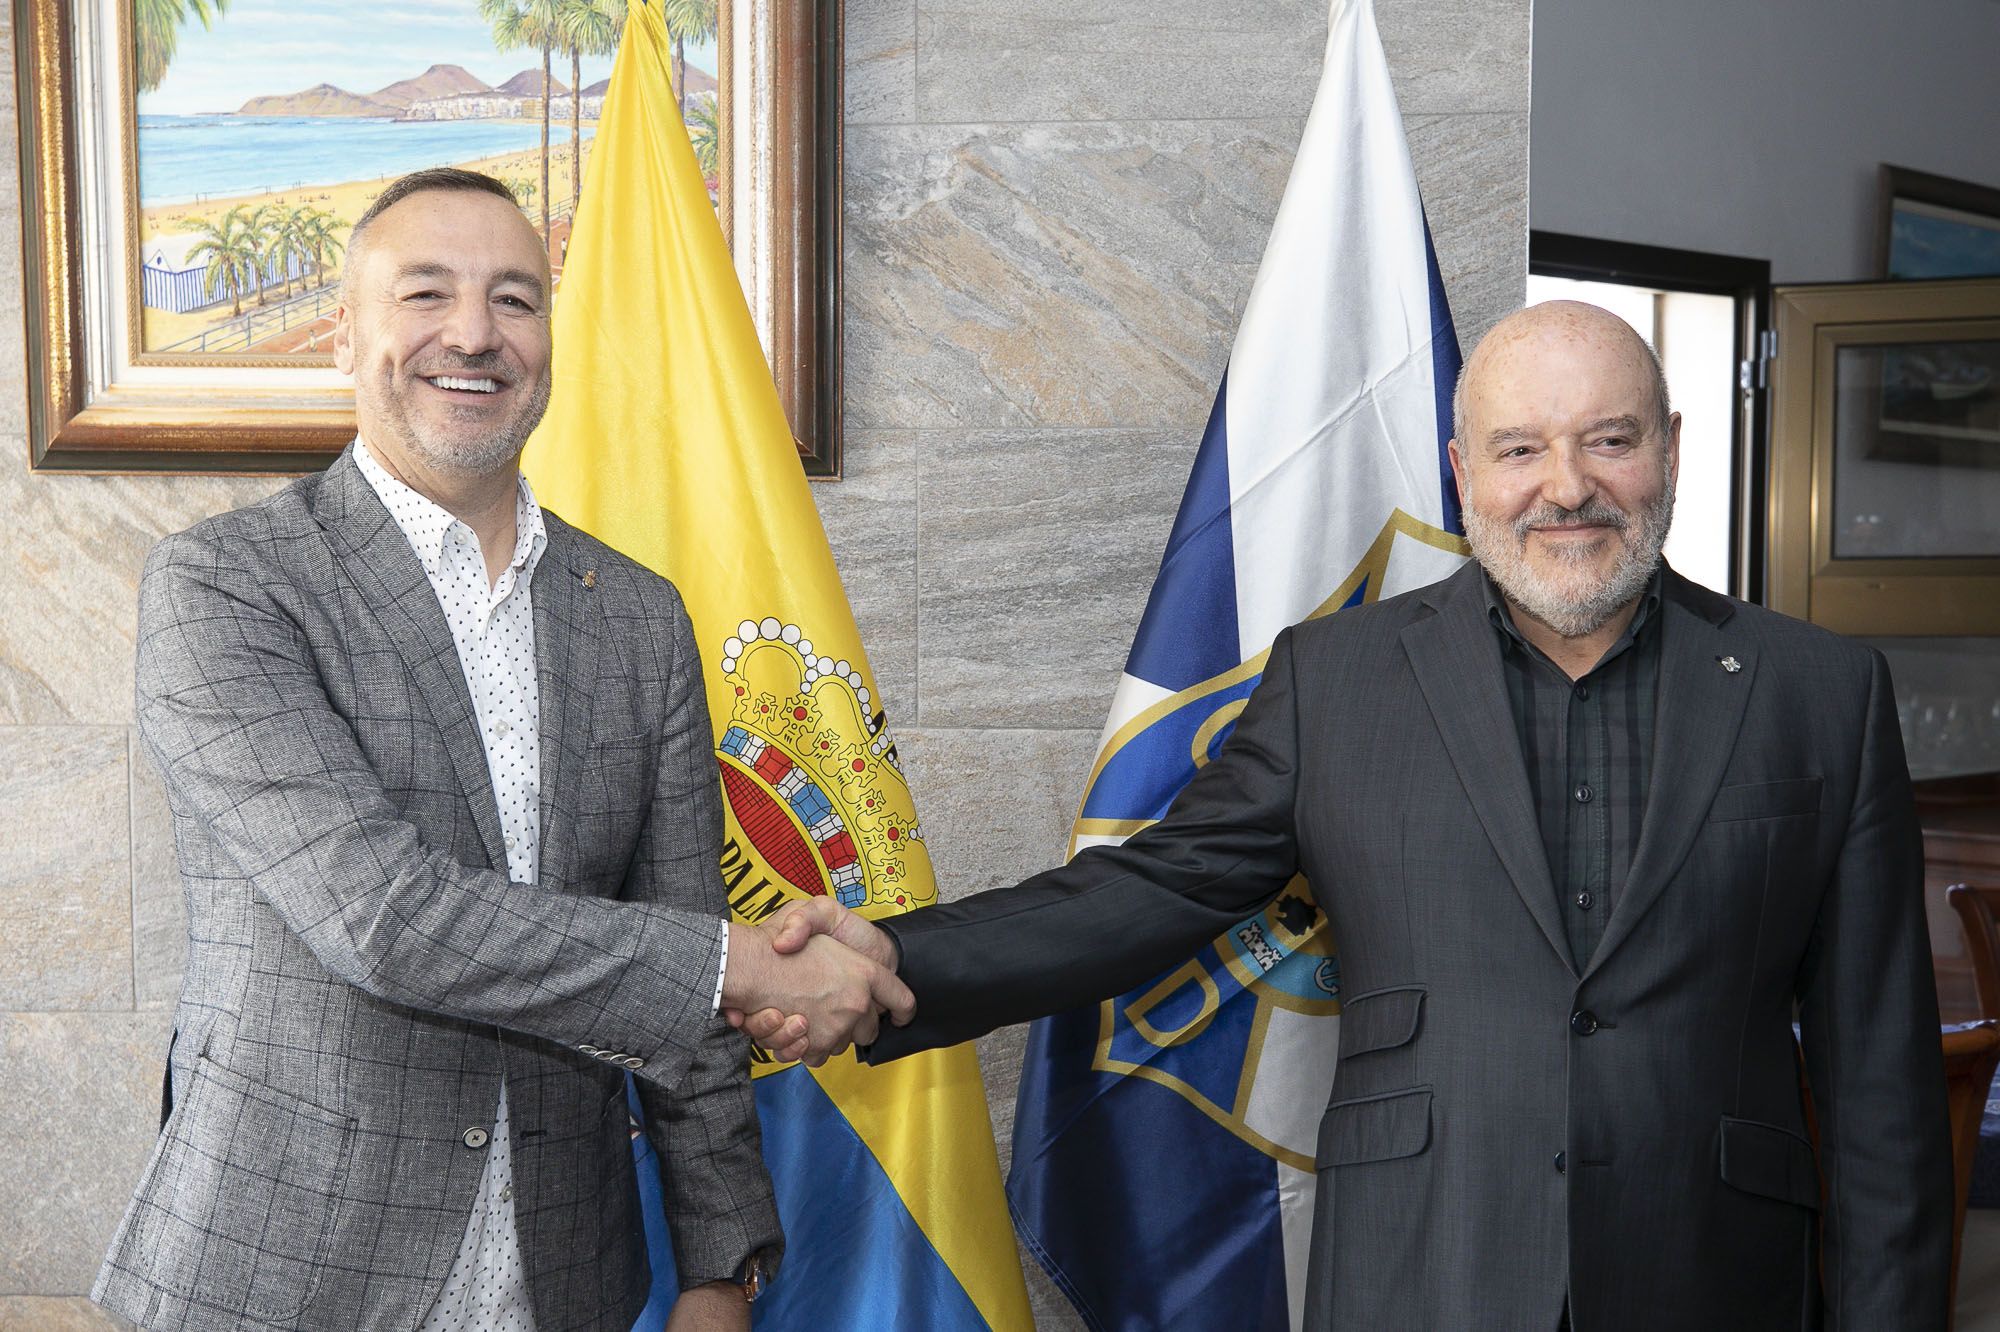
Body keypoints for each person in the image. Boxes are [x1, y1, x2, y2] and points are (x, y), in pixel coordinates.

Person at [740, 301, 1954, 1330]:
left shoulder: (1818, 696)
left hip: (1712, 1272)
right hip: (1419, 1268)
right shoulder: (1339, 681)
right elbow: (1144, 891)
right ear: (1461, 470)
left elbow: (1881, 1085)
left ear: (1672, 451)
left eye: (1609, 441)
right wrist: (899, 957)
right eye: (1519, 449)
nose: (1565, 487)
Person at [92, 167, 909, 1332]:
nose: (473, 335)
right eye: (424, 293)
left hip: (564, 1273)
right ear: (344, 336)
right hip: (282, 1266)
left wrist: (720, 1272)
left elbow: (683, 926)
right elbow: (382, 916)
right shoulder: (225, 586)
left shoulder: (637, 615)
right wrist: (741, 966)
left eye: (516, 300)